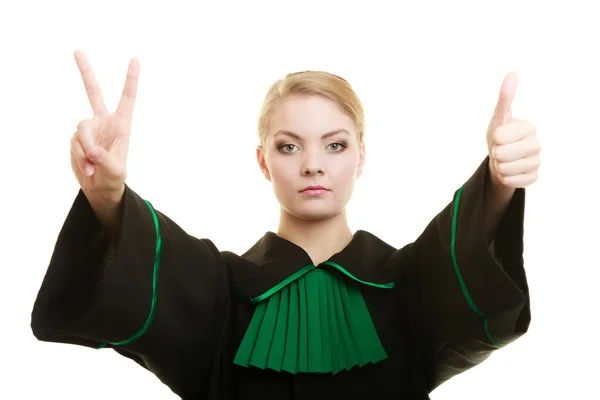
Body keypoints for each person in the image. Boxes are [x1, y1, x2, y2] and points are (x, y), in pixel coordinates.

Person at [30, 50, 542, 400]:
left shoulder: (407, 286)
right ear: (262, 161)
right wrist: (106, 195)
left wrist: (498, 183)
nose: (313, 164)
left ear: (361, 158)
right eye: (289, 145)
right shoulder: (219, 291)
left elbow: (466, 262)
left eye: (335, 144)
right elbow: (144, 270)